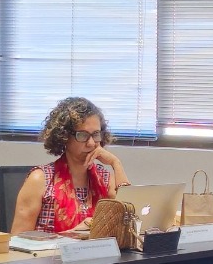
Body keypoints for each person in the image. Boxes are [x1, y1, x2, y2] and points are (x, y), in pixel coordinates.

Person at [10, 97, 131, 235]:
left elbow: (129, 221)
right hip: (50, 256)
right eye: (82, 135)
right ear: (64, 137)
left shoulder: (104, 178)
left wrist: (116, 164)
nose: (91, 143)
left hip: (100, 256)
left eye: (96, 134)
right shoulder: (40, 179)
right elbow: (17, 241)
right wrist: (71, 235)